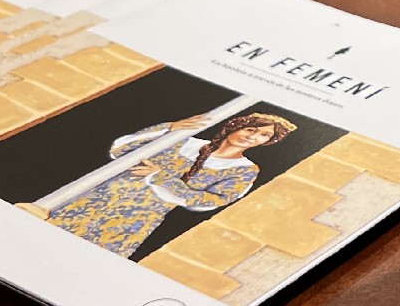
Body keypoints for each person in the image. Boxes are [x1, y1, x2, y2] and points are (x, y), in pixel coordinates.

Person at [43, 111, 297, 258]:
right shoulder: (182, 141)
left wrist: (161, 177)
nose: (253, 137)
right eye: (251, 130)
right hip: (93, 200)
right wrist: (169, 128)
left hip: (134, 219)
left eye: (263, 135)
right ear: (236, 127)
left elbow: (210, 202)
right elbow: (120, 149)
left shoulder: (244, 171)